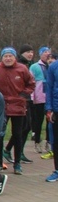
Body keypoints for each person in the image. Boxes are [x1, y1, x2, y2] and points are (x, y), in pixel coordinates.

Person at [0, 47, 35, 174]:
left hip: (18, 106)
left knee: (17, 134)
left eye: (10, 56)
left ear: (15, 57)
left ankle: (17, 163)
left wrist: (23, 96)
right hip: (1, 106)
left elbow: (31, 84)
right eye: (5, 56)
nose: (8, 58)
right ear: (2, 57)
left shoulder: (22, 69)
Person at [30, 47, 50, 153]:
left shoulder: (51, 66)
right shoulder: (34, 67)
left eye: (48, 52)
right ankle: (37, 141)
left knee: (50, 122)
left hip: (49, 99)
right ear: (40, 54)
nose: (47, 54)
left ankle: (48, 141)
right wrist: (32, 97)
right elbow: (31, 81)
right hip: (39, 99)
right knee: (38, 121)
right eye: (45, 52)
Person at [45, 50, 58, 182]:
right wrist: (48, 108)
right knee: (56, 141)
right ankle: (57, 170)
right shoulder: (54, 67)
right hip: (56, 108)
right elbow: (48, 88)